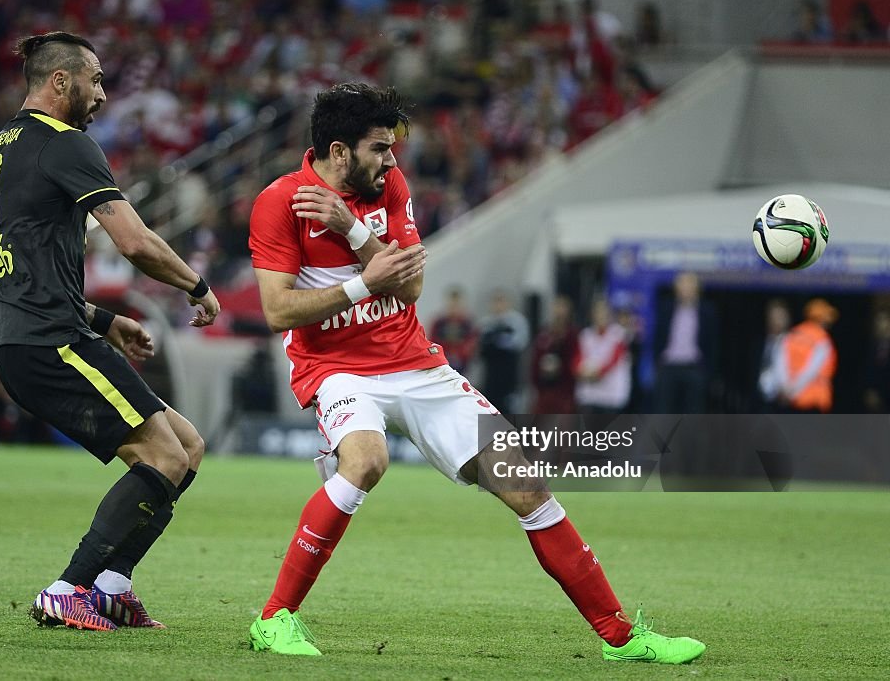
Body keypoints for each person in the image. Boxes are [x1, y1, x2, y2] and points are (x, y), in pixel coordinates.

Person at [245, 81, 704, 663]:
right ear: (340, 152)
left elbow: (410, 286)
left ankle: (621, 637)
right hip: (335, 367)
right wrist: (364, 280)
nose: (391, 160)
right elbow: (277, 311)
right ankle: (275, 620)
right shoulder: (279, 201)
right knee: (366, 460)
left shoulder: (388, 187)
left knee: (528, 485)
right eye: (379, 148)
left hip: (414, 362)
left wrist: (355, 231)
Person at [0, 32, 220, 632]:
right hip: (50, 342)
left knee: (185, 446)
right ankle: (69, 588)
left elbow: (26, 274)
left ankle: (112, 585)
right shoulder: (67, 144)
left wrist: (106, 320)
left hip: (31, 335)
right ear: (61, 80)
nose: (103, 93)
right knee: (162, 454)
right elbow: (134, 242)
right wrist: (195, 286)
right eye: (97, 79)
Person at [652, 272, 717, 414]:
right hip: (668, 367)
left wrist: (707, 372)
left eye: (689, 285)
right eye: (682, 285)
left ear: (697, 288)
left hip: (694, 368)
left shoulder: (707, 311)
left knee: (693, 414)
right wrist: (658, 363)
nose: (685, 289)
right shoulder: (666, 308)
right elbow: (657, 338)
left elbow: (713, 343)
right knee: (664, 413)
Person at [774, 298, 838, 413]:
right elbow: (811, 370)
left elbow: (780, 364)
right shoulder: (822, 340)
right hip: (814, 400)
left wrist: (787, 390)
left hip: (790, 399)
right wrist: (794, 390)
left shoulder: (792, 334)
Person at [477, 290, 531, 415]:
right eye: (496, 302)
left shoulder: (517, 322)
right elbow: (480, 347)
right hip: (491, 374)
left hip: (510, 372)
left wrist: (498, 341)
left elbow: (520, 343)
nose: (498, 306)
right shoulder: (486, 324)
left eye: (501, 302)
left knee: (510, 409)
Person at [575, 298, 630, 414]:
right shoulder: (585, 335)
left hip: (611, 395)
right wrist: (580, 371)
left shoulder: (618, 334)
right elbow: (577, 359)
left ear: (610, 315)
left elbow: (614, 359)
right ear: (592, 315)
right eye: (597, 312)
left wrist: (598, 372)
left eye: (604, 312)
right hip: (589, 394)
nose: (601, 316)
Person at [530, 295, 579, 414]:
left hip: (564, 390)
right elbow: (536, 357)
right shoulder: (545, 332)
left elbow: (574, 359)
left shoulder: (572, 334)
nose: (559, 311)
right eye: (557, 306)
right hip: (544, 389)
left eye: (562, 307)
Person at [429, 286, 479, 373]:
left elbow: (471, 343)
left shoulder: (467, 324)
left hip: (462, 365)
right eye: (452, 304)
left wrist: (459, 355)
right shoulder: (439, 323)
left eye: (456, 304)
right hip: (442, 364)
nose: (454, 307)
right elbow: (432, 342)